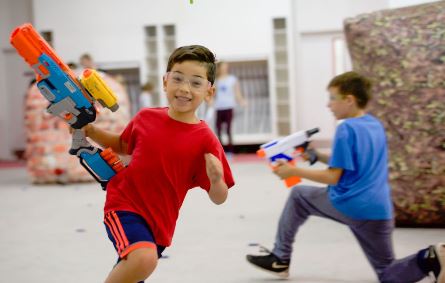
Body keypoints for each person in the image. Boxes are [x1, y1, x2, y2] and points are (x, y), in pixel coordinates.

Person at [246, 71, 444, 283]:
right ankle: (430, 257)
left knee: (299, 195)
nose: (328, 105)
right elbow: (354, 163)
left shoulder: (345, 129)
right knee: (387, 273)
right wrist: (317, 156)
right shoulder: (374, 124)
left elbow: (333, 177)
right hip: (380, 210)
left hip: (352, 205)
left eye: (333, 98)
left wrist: (293, 171)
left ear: (349, 100)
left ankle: (280, 258)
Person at [80, 45, 235, 283]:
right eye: (178, 79)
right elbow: (122, 145)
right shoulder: (146, 117)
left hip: (160, 224)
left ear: (209, 92)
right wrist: (90, 130)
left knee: (135, 269)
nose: (184, 88)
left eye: (195, 82)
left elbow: (219, 197)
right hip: (125, 204)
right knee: (143, 259)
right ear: (165, 82)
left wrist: (216, 180)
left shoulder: (206, 140)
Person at [210, 61, 246, 156]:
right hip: (219, 107)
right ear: (220, 68)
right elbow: (213, 94)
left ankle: (230, 151)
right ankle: (221, 150)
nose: (225, 68)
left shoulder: (232, 79)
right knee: (218, 129)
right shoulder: (216, 80)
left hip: (229, 106)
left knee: (228, 129)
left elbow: (237, 93)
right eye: (223, 66)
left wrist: (242, 101)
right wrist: (210, 102)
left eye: (226, 66)